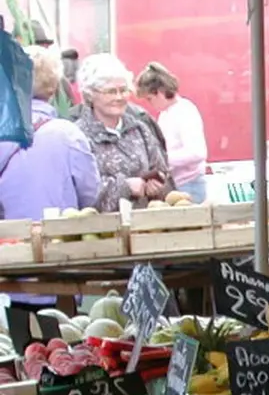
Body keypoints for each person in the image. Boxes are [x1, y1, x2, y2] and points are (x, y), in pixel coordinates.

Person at [0, 47, 99, 307]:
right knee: (63, 340)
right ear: (53, 88)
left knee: (16, 341)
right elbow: (90, 192)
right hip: (61, 262)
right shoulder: (68, 134)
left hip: (11, 261)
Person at [73, 53, 172, 211]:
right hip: (100, 231)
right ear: (91, 94)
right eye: (111, 91)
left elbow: (163, 173)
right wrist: (125, 187)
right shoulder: (78, 136)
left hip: (144, 228)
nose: (119, 97)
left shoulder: (139, 130)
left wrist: (156, 187)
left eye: (124, 90)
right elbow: (81, 191)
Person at [136, 62, 208, 203]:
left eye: (150, 98)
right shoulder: (165, 114)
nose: (150, 103)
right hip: (174, 184)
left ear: (160, 92)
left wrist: (162, 161)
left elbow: (197, 152)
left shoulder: (185, 111)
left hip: (190, 185)